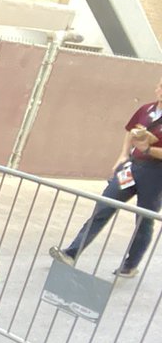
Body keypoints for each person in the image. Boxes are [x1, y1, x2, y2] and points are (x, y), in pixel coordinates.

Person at [49, 76, 162, 279]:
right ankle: (71, 253)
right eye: (161, 85)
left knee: (144, 219)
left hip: (156, 174)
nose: (161, 90)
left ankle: (130, 265)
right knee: (104, 206)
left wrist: (149, 150)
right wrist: (124, 154)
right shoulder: (147, 110)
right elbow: (131, 130)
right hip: (133, 167)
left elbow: (148, 147)